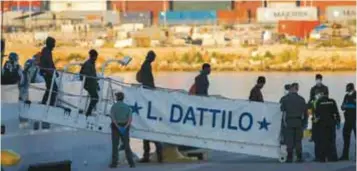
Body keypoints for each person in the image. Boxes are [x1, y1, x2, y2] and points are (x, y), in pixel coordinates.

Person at [136, 51, 163, 163]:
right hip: (148, 94)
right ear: (150, 57)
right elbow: (146, 80)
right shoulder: (146, 65)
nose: (154, 59)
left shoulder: (146, 64)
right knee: (150, 132)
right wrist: (151, 90)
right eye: (153, 57)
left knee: (146, 132)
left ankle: (148, 155)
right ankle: (157, 154)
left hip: (148, 95)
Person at [280, 83, 308, 163]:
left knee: (289, 140)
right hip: (298, 122)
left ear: (291, 89)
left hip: (288, 122)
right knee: (298, 141)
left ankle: (289, 158)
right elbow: (305, 113)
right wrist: (304, 123)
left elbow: (280, 111)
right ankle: (299, 157)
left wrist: (283, 123)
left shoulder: (285, 99)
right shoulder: (302, 99)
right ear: (297, 89)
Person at [109, 92, 135, 168]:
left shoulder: (114, 107)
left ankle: (114, 164)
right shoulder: (127, 107)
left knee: (115, 146)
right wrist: (124, 127)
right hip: (125, 127)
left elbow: (113, 119)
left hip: (115, 127)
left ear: (117, 98)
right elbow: (130, 119)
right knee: (127, 145)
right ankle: (131, 163)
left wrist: (118, 127)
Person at [314, 90, 340, 162]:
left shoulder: (319, 102)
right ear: (328, 94)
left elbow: (317, 114)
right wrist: (338, 122)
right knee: (331, 141)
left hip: (322, 125)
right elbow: (336, 112)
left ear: (322, 94)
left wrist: (315, 124)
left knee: (323, 141)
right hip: (331, 124)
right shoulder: (332, 101)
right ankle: (333, 158)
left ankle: (322, 158)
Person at [80, 49, 99, 117]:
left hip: (91, 83)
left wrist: (96, 84)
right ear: (93, 56)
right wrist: (95, 81)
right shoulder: (88, 64)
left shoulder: (91, 63)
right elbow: (87, 75)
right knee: (95, 98)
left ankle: (90, 111)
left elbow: (93, 75)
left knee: (95, 97)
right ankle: (88, 113)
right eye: (96, 57)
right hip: (88, 84)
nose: (96, 58)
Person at [340, 83, 356, 161]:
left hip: (355, 120)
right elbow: (342, 106)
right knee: (346, 137)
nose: (348, 92)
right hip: (347, 120)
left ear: (352, 89)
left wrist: (348, 106)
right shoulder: (346, 96)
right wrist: (344, 106)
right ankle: (345, 155)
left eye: (349, 90)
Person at [40, 37, 57, 106]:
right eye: (53, 43)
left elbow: (51, 63)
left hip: (49, 73)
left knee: (50, 88)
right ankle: (50, 105)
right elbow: (47, 63)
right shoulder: (46, 51)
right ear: (50, 44)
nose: (54, 45)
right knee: (54, 89)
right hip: (47, 73)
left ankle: (45, 103)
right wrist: (51, 72)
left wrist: (55, 71)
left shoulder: (48, 51)